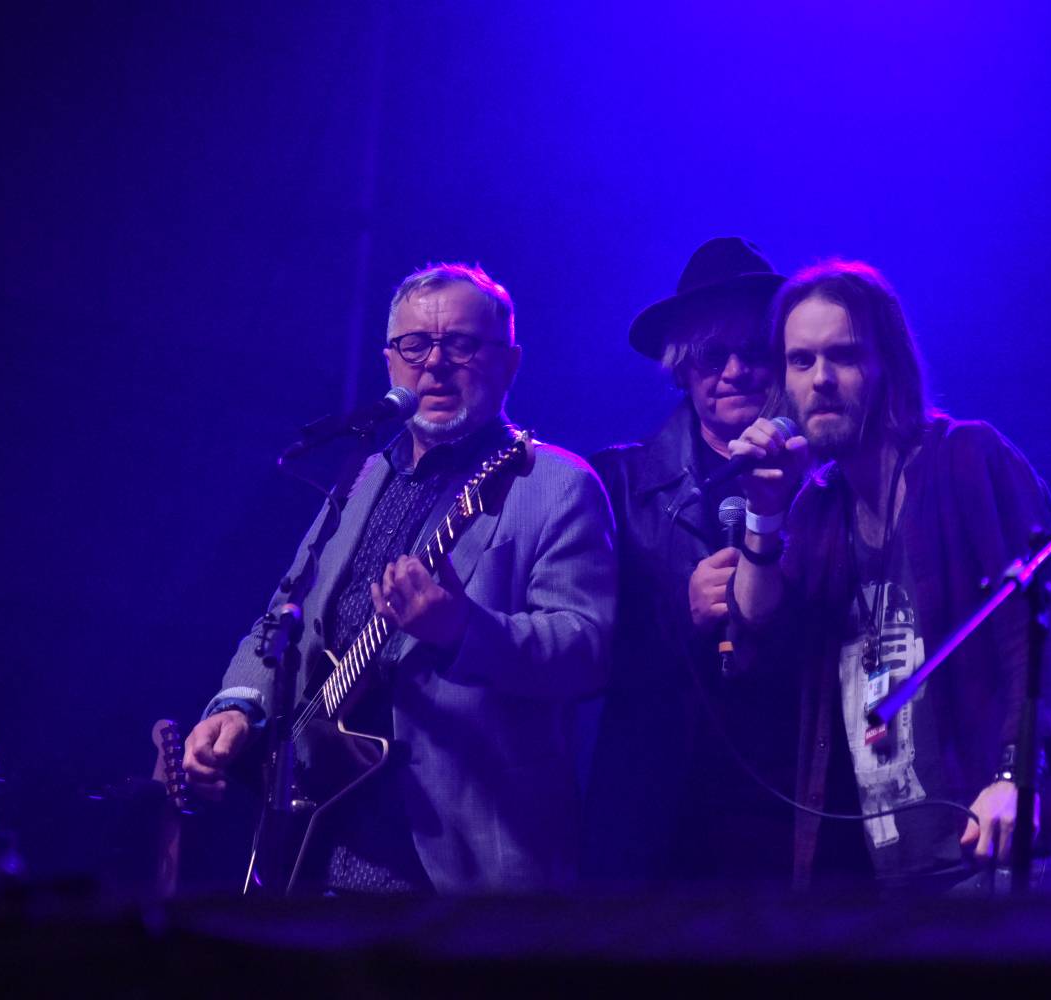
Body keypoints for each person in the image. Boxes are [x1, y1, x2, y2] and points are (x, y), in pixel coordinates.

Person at [182, 263, 616, 894]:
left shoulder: (555, 484)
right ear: (390, 362)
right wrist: (236, 706)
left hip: (465, 863)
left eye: (461, 344)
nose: (434, 363)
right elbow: (283, 616)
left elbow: (585, 653)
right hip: (316, 842)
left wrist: (461, 628)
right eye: (415, 345)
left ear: (509, 364)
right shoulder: (361, 478)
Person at [728, 260, 1051, 893]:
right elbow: (755, 645)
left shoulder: (969, 462)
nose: (821, 380)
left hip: (1013, 851)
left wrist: (1017, 778)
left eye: (843, 356)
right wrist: (763, 514)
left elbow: (1042, 645)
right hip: (901, 875)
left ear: (888, 365)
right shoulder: (819, 511)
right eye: (801, 362)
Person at [581, 237, 795, 885]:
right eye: (712, 354)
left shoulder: (827, 484)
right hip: (653, 818)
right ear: (681, 366)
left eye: (754, 351)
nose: (735, 370)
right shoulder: (613, 483)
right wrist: (680, 613)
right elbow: (575, 650)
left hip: (787, 810)